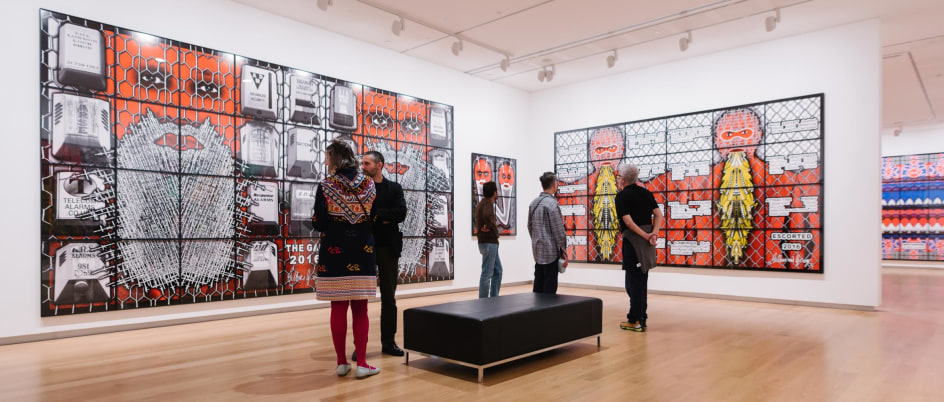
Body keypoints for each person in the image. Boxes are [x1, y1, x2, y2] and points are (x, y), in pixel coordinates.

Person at [312, 139, 380, 378]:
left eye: (328, 157)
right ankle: (362, 363)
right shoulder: (369, 184)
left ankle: (342, 362)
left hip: (335, 251)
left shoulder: (326, 185)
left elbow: (319, 222)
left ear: (336, 159)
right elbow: (374, 215)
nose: (326, 161)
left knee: (337, 306)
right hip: (363, 250)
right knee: (361, 308)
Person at [360, 150, 407, 357]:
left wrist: (377, 215)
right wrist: (385, 217)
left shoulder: (394, 188)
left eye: (367, 163)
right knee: (359, 299)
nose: (363, 167)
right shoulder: (360, 189)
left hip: (388, 247)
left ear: (379, 165)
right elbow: (361, 214)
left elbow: (402, 213)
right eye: (362, 163)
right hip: (364, 247)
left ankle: (388, 343)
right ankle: (360, 347)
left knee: (389, 297)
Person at [614, 164, 663, 332]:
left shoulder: (621, 196)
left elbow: (628, 222)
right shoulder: (646, 192)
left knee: (633, 283)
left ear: (623, 178)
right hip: (647, 242)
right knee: (641, 280)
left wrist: (646, 236)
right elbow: (658, 215)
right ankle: (641, 317)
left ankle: (635, 319)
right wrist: (653, 234)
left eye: (618, 176)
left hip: (634, 243)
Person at [527, 172, 568, 294]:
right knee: (550, 286)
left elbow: (529, 226)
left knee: (538, 282)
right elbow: (559, 231)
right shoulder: (552, 204)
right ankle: (547, 310)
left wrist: (535, 239)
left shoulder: (533, 203)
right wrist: (564, 251)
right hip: (551, 251)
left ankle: (537, 311)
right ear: (554, 184)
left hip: (537, 249)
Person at [475, 181, 502, 298]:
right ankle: (484, 301)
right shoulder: (487, 204)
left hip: (488, 243)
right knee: (487, 273)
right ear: (494, 192)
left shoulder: (482, 203)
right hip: (489, 242)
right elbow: (487, 215)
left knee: (498, 271)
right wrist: (489, 225)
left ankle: (494, 297)